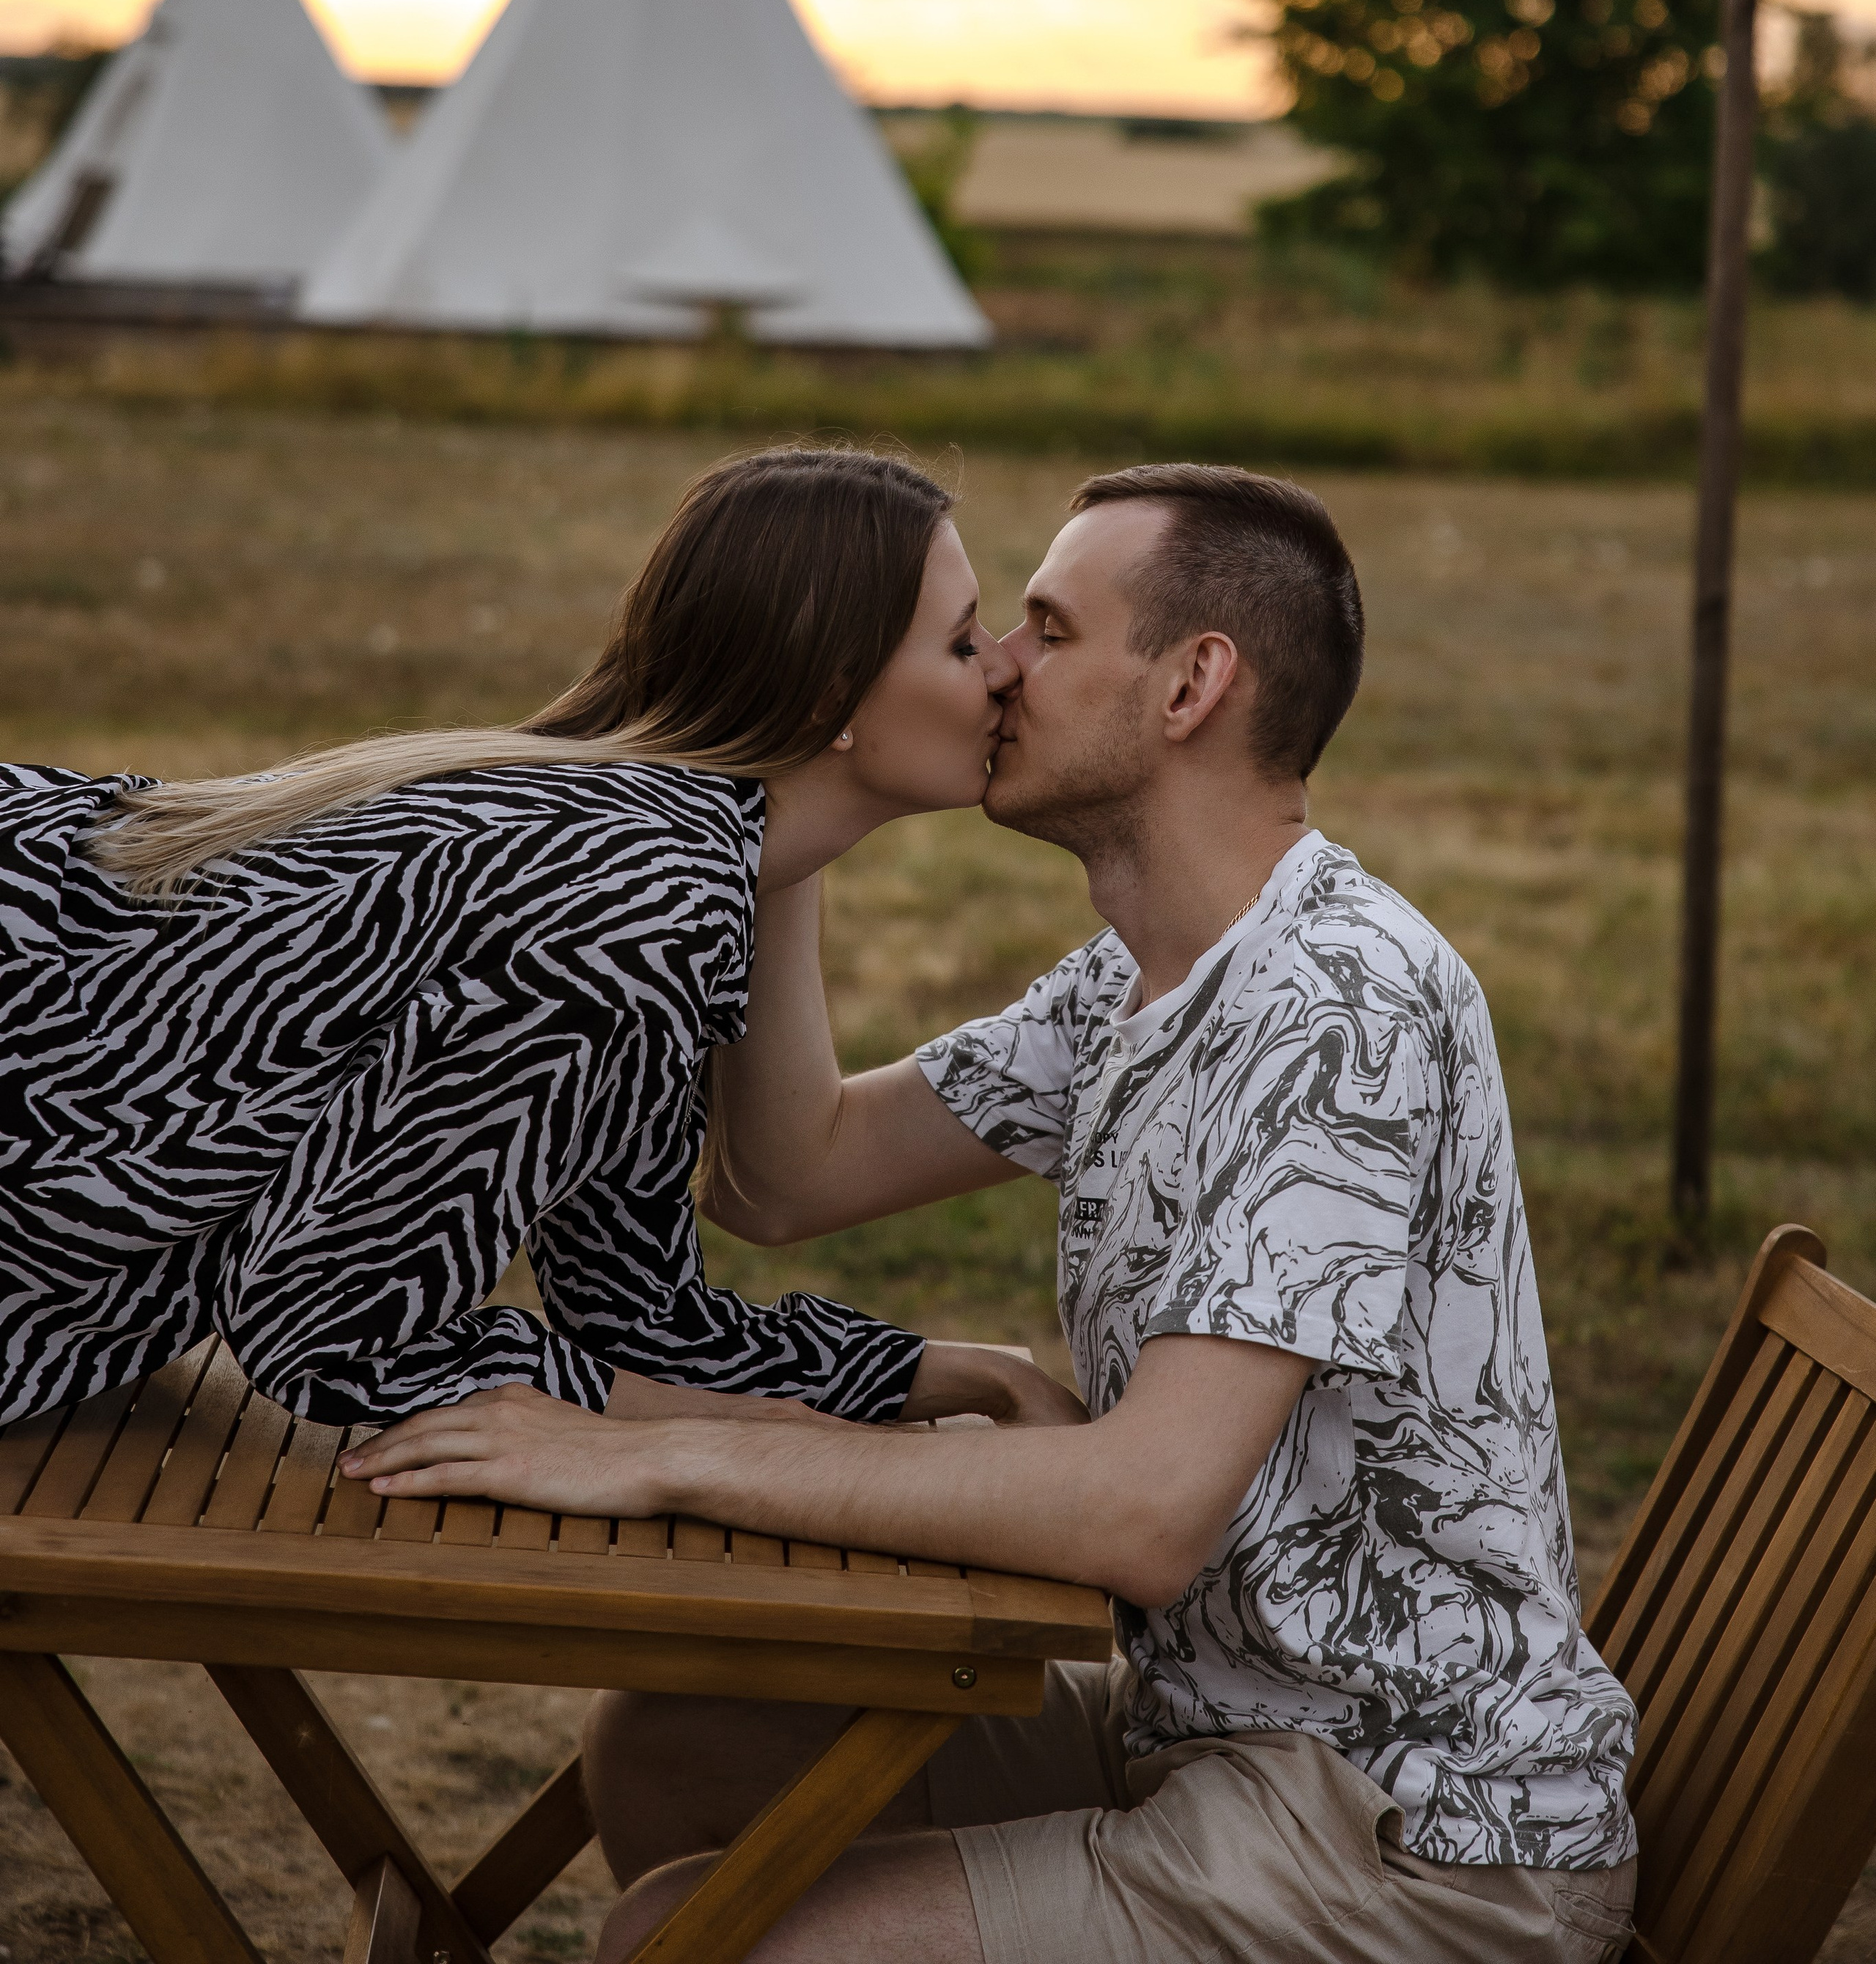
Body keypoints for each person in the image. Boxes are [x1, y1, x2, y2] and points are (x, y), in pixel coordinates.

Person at [351, 462, 1640, 1964]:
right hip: (1215, 1733)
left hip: (1409, 1836)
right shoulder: (1144, 972)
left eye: (1044, 625)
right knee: (675, 1740)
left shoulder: (1333, 1007)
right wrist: (784, 796)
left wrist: (665, 1454)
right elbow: (791, 1173)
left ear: (1188, 686)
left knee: (690, 1940)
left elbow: (1138, 1514)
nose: (1000, 667)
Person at [0, 446, 1081, 1438]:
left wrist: (954, 1374)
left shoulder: (658, 852)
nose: (1002, 670)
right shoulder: (631, 904)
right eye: (960, 639)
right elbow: (333, 1335)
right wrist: (783, 1447)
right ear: (831, 699)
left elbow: (635, 1311)